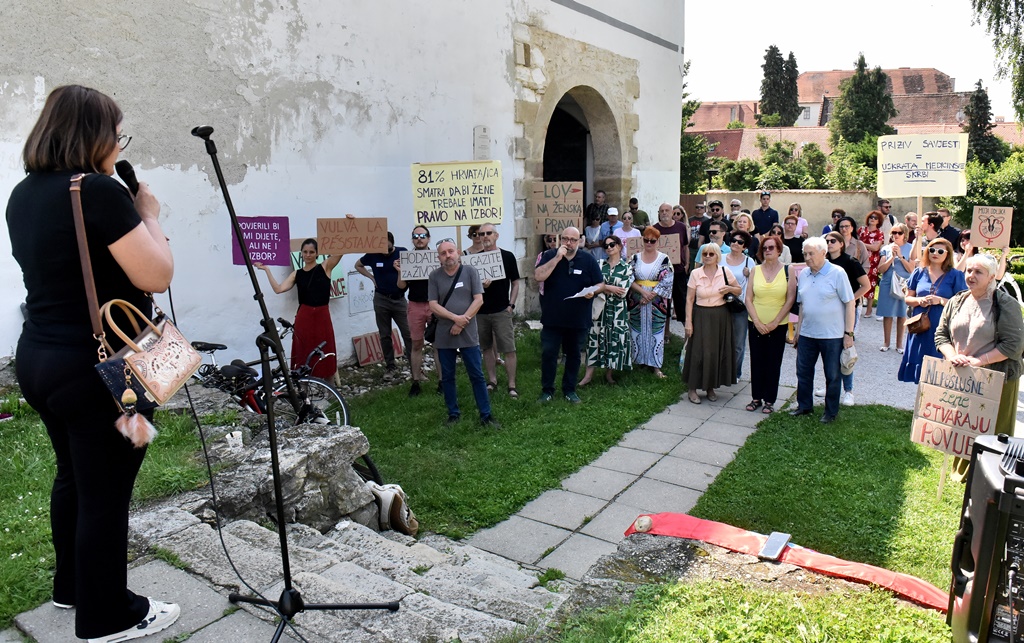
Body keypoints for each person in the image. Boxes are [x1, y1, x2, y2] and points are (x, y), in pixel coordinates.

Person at [7, 85, 180, 641]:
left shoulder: (22, 193)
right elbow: (156, 275)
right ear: (94, 135)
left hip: (39, 358)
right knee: (105, 492)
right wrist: (147, 213)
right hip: (98, 367)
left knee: (74, 477)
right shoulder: (100, 192)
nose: (117, 143)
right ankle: (107, 615)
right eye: (116, 133)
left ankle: (72, 588)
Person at [936, 253, 1024, 462]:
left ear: (992, 276)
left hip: (997, 377)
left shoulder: (1005, 304)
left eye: (978, 272)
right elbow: (941, 335)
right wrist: (952, 356)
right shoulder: (957, 300)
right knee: (964, 424)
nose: (971, 275)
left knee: (992, 431)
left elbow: (1014, 345)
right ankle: (963, 470)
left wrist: (979, 361)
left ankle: (988, 473)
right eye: (968, 270)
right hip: (963, 374)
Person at [428, 239, 499, 428]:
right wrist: (454, 318)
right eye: (443, 253)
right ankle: (453, 414)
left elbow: (478, 300)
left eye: (451, 251)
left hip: (468, 333)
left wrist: (462, 321)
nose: (448, 255)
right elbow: (433, 304)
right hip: (444, 333)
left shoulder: (470, 272)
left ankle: (486, 415)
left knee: (476, 374)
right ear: (439, 257)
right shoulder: (434, 276)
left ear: (458, 252)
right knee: (448, 376)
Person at [789, 237, 856, 424]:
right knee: (803, 371)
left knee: (833, 375)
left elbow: (850, 302)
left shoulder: (837, 273)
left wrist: (848, 333)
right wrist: (798, 331)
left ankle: (830, 411)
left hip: (832, 335)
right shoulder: (803, 274)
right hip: (807, 334)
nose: (807, 257)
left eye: (811, 253)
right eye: (805, 254)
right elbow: (802, 306)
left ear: (823, 253)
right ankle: (804, 406)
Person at [255, 238, 340, 381]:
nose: (308, 255)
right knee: (303, 349)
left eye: (311, 252)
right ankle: (304, 387)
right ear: (301, 253)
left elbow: (341, 251)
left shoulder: (325, 267)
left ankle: (329, 387)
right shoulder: (297, 273)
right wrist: (267, 270)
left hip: (322, 315)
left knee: (326, 348)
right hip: (304, 316)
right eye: (305, 252)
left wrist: (348, 223)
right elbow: (279, 289)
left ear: (317, 254)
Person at [534, 227, 603, 403]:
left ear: (580, 241)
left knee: (573, 355)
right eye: (565, 239)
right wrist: (558, 258)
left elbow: (600, 283)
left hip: (578, 318)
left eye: (573, 239)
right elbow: (539, 276)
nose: (568, 243)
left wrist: (592, 292)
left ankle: (569, 389)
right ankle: (547, 390)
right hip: (553, 317)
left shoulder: (588, 259)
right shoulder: (549, 255)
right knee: (549, 353)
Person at [897, 238, 967, 383]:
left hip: (942, 324)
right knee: (919, 360)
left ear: (947, 254)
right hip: (920, 325)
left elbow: (962, 303)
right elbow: (908, 298)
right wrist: (918, 301)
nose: (935, 253)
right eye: (931, 250)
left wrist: (940, 300)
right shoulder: (919, 272)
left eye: (940, 251)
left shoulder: (955, 275)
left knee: (937, 365)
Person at [744, 235, 796, 414]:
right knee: (757, 360)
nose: (767, 251)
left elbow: (790, 300)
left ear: (779, 250)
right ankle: (756, 397)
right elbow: (748, 298)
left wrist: (775, 322)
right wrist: (757, 321)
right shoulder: (755, 270)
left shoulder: (789, 271)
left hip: (778, 324)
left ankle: (770, 400)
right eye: (765, 248)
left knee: (773, 362)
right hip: (755, 323)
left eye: (771, 248)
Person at [682, 242, 740, 402]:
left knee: (715, 351)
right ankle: (692, 388)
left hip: (720, 316)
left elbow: (738, 289)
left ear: (717, 256)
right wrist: (688, 322)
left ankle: (710, 387)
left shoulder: (725, 271)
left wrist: (729, 289)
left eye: (711, 254)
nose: (707, 256)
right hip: (700, 315)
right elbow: (689, 299)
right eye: (705, 254)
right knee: (698, 352)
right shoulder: (695, 273)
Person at [579, 235, 634, 386]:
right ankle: (588, 376)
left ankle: (609, 374)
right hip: (599, 308)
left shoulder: (627, 267)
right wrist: (608, 287)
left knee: (614, 340)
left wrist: (602, 286)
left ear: (619, 246)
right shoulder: (599, 264)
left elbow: (622, 291)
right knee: (594, 339)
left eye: (612, 244)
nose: (609, 247)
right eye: (606, 246)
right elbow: (591, 285)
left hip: (617, 311)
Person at [475, 223, 521, 398]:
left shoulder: (507, 256)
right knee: (486, 347)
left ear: (496, 235)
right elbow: (471, 286)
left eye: (488, 233)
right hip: (481, 311)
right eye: (481, 234)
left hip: (502, 310)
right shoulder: (475, 259)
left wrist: (511, 305)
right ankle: (492, 380)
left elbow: (515, 282)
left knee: (509, 348)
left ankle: (512, 384)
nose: (485, 236)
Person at [355, 232, 413, 371]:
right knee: (385, 334)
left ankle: (414, 365)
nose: (385, 252)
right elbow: (358, 265)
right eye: (382, 249)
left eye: (388, 249)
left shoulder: (402, 252)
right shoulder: (372, 254)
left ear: (392, 243)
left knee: (408, 333)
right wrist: (371, 277)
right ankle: (390, 366)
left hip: (399, 299)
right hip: (381, 299)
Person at [825, 231, 871, 406]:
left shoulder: (850, 262)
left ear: (841, 244)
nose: (829, 243)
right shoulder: (824, 262)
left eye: (833, 241)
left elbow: (866, 285)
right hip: (829, 310)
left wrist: (850, 299)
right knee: (829, 350)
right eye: (827, 241)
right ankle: (830, 386)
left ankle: (848, 390)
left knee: (846, 348)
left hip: (847, 310)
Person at [629, 227, 675, 378]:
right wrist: (642, 293)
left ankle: (655, 365)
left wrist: (650, 295)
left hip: (657, 301)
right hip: (637, 298)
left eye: (652, 241)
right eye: (646, 240)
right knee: (637, 330)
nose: (649, 243)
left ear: (657, 241)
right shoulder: (634, 258)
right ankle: (639, 361)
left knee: (656, 333)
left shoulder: (664, 259)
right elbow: (628, 278)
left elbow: (667, 279)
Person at [395, 225, 435, 396]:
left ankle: (442, 381)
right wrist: (400, 272)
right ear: (412, 239)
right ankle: (416, 381)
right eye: (416, 236)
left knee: (438, 344)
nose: (419, 238)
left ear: (428, 238)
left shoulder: (436, 257)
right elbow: (401, 286)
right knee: (416, 343)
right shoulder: (408, 259)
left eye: (423, 235)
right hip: (415, 305)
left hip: (434, 305)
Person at [876, 224, 914, 354]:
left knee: (902, 314)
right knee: (888, 313)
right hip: (888, 282)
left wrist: (901, 257)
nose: (896, 235)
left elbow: (911, 269)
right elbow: (880, 269)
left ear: (905, 234)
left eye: (899, 233)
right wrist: (891, 257)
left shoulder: (910, 248)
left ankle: (899, 344)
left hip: (904, 283)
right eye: (893, 233)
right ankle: (886, 342)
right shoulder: (886, 248)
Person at [723, 230, 754, 378]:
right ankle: (719, 371)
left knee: (738, 343)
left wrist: (750, 274)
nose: (735, 243)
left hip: (740, 305)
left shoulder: (749, 262)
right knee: (720, 340)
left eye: (740, 242)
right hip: (720, 303)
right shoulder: (720, 258)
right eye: (733, 240)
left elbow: (753, 285)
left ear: (745, 246)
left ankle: (734, 373)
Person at [653, 202, 690, 322]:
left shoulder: (681, 227)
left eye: (667, 210)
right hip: (660, 272)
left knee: (681, 301)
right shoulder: (654, 229)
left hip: (678, 270)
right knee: (663, 303)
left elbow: (685, 247)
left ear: (672, 213)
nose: (664, 213)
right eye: (661, 211)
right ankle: (666, 334)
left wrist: (687, 264)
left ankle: (687, 332)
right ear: (659, 213)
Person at [857, 210, 885, 319]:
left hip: (873, 262)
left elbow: (875, 248)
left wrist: (862, 244)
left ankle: (869, 310)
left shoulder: (879, 233)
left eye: (875, 218)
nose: (873, 219)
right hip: (859, 259)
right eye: (871, 217)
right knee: (858, 282)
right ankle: (857, 307)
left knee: (871, 284)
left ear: (879, 221)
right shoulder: (861, 230)